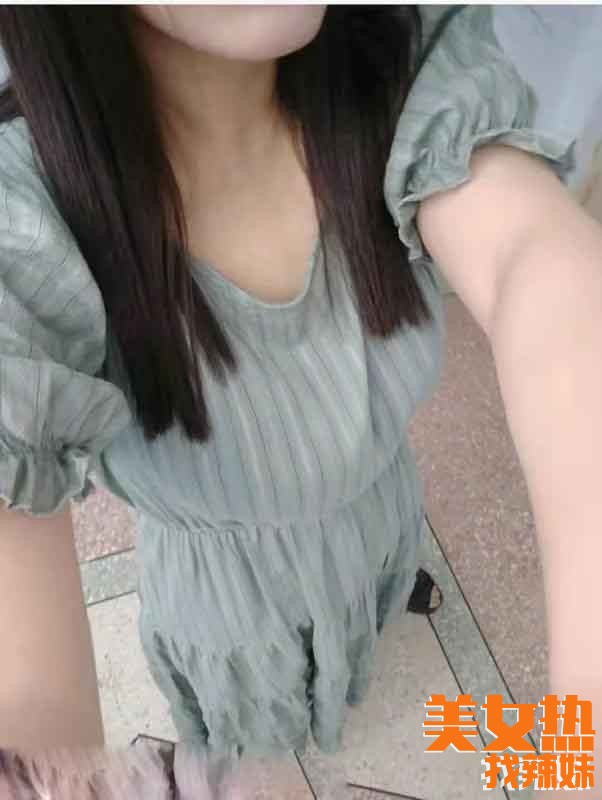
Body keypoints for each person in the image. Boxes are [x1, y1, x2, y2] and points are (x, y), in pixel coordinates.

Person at [0, 6, 600, 791]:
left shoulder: (406, 56)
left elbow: (542, 265)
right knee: (261, 729)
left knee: (369, 618)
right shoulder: (25, 215)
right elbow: (27, 705)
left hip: (377, 520)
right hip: (231, 604)